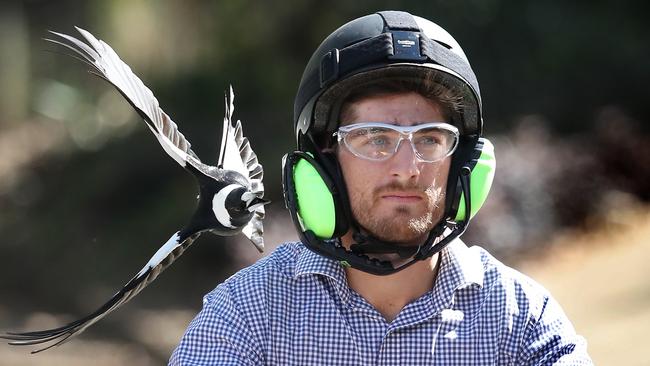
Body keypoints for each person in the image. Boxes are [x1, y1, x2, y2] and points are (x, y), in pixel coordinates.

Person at [169, 11, 593, 365]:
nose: (407, 169)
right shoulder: (246, 315)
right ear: (323, 162)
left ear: (463, 162)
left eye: (430, 138)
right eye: (375, 138)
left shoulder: (522, 322)